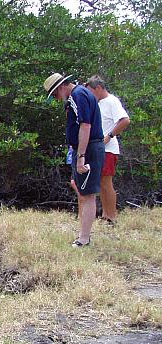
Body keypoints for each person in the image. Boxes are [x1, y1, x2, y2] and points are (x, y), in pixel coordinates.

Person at [43, 73, 104, 247]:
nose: (56, 98)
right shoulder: (78, 95)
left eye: (55, 94)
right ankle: (83, 234)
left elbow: (85, 126)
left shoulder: (78, 96)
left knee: (88, 194)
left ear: (61, 87)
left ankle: (84, 239)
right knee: (83, 192)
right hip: (85, 148)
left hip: (89, 149)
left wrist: (81, 156)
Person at [85, 75, 130, 225]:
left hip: (108, 150)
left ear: (98, 88)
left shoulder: (112, 101)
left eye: (91, 91)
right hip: (98, 149)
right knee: (100, 183)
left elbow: (125, 120)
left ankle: (111, 216)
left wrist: (109, 135)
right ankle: (105, 215)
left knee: (106, 182)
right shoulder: (99, 103)